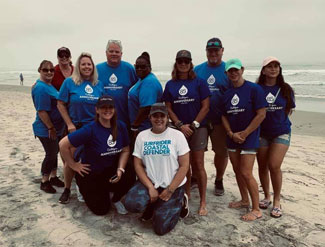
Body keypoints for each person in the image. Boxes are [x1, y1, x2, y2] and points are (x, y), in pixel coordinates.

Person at [59, 96, 133, 215]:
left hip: (109, 169)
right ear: (97, 110)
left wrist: (120, 169)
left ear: (114, 109)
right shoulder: (90, 129)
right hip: (91, 172)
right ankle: (82, 187)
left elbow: (125, 150)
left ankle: (114, 198)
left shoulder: (120, 126)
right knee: (101, 210)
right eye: (103, 107)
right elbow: (63, 145)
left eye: (110, 107)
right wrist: (73, 165)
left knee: (130, 173)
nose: (107, 110)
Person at [125, 103, 190, 235]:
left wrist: (170, 190)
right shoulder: (142, 136)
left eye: (162, 116)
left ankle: (181, 201)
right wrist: (150, 187)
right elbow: (137, 164)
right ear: (150, 117)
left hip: (173, 185)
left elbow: (184, 166)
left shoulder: (177, 136)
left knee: (160, 229)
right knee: (132, 203)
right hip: (151, 182)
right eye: (155, 116)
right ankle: (153, 203)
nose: (159, 119)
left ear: (167, 118)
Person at [162, 50, 210, 216]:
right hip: (178, 129)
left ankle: (203, 201)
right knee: (184, 165)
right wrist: (180, 125)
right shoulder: (170, 84)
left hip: (198, 128)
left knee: (198, 164)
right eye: (180, 61)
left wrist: (194, 125)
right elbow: (168, 108)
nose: (183, 64)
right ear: (176, 63)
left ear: (191, 63)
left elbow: (206, 106)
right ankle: (187, 195)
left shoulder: (200, 82)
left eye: (186, 61)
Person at [221, 58, 267, 221]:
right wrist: (230, 133)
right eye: (230, 71)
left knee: (247, 172)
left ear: (242, 69)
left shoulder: (254, 89)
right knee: (237, 170)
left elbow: (261, 114)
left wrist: (245, 133)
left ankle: (256, 209)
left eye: (236, 69)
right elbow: (224, 116)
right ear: (226, 73)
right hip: (232, 137)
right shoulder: (226, 93)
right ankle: (244, 199)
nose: (233, 73)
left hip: (249, 137)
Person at [57, 52, 105, 204]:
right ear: (78, 66)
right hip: (76, 127)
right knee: (69, 159)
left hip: (94, 127)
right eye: (83, 64)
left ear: (93, 67)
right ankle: (66, 189)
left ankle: (86, 185)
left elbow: (103, 107)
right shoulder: (70, 82)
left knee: (91, 157)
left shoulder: (98, 84)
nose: (86, 67)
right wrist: (69, 124)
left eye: (89, 64)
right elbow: (60, 104)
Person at [256, 56, 295, 218]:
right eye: (269, 66)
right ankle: (266, 196)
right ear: (263, 70)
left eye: (276, 66)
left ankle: (277, 200)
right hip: (262, 133)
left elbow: (289, 110)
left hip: (281, 132)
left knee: (274, 165)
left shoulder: (286, 89)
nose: (273, 69)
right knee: (263, 166)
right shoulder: (257, 88)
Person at [194, 37, 230, 196]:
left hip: (220, 121)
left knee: (221, 152)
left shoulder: (229, 69)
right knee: (196, 151)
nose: (213, 53)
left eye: (216, 50)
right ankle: (195, 177)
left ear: (222, 50)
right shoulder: (197, 70)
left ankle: (219, 179)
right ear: (206, 52)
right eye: (210, 51)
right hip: (200, 120)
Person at [31, 60, 65, 193]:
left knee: (54, 151)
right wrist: (51, 128)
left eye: (51, 70)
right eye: (45, 70)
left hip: (55, 128)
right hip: (46, 129)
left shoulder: (47, 85)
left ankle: (53, 177)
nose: (49, 72)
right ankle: (44, 181)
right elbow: (41, 111)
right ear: (39, 70)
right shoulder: (41, 88)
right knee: (50, 154)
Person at [96, 39, 138, 126]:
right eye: (111, 51)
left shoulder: (129, 68)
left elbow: (138, 88)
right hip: (103, 118)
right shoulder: (97, 69)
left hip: (125, 118)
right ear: (106, 53)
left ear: (121, 54)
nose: (114, 54)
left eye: (117, 52)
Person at [128, 51, 163, 140]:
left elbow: (146, 108)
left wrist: (135, 126)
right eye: (137, 67)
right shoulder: (142, 79)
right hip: (141, 127)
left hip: (144, 128)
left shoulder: (149, 82)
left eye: (143, 67)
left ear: (149, 67)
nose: (139, 69)